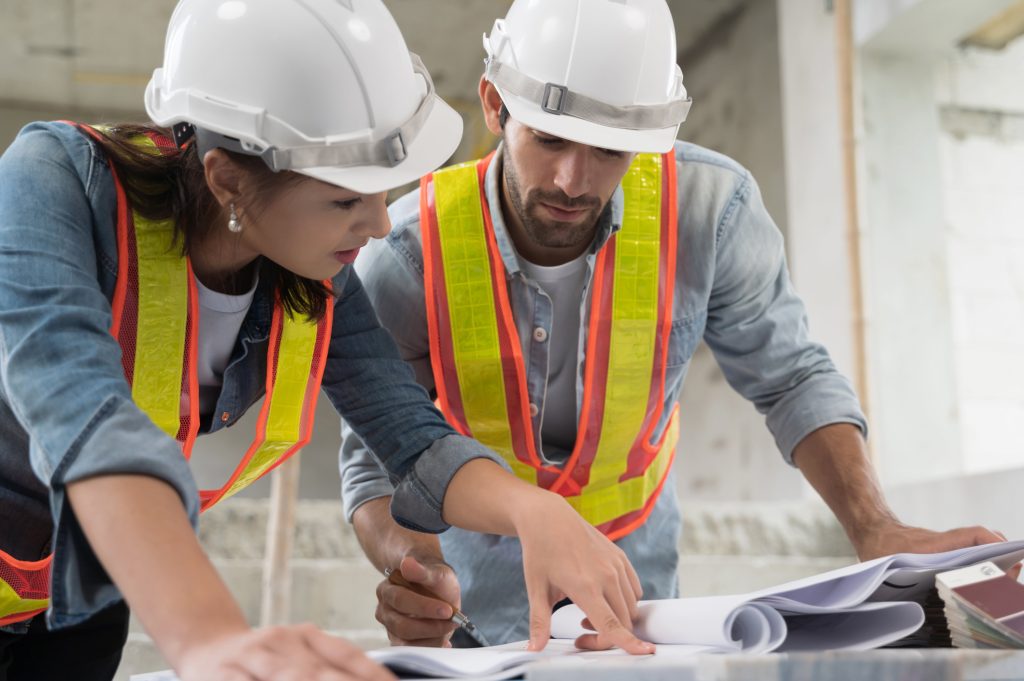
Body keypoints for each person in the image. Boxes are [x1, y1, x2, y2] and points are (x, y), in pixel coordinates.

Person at [0, 1, 656, 679]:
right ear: (229, 178)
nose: (378, 223)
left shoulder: (310, 268)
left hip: (68, 600)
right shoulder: (51, 185)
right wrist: (210, 640)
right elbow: (82, 411)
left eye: (381, 193)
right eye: (346, 199)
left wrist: (532, 509)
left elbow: (413, 436)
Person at [340, 0, 1010, 649]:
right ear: (494, 104)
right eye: (549, 139)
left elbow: (791, 377)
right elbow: (375, 465)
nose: (574, 181)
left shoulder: (709, 212)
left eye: (609, 149)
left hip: (641, 597)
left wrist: (875, 526)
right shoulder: (406, 254)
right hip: (477, 607)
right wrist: (418, 574)